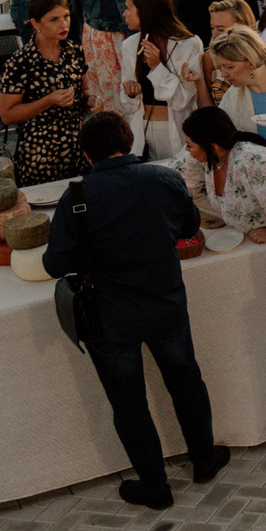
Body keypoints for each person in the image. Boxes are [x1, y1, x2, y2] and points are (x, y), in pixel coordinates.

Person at [42, 111, 228, 510]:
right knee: (186, 382)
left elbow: (55, 265)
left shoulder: (76, 199)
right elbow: (187, 227)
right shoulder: (164, 178)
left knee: (129, 403)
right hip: (165, 303)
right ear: (129, 142)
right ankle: (204, 459)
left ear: (86, 154)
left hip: (109, 318)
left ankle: (155, 486)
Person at [0, 0, 87, 186]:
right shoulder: (20, 63)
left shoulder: (74, 50)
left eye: (66, 16)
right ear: (35, 23)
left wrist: (91, 100)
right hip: (41, 153)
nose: (64, 24)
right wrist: (48, 101)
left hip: (78, 147)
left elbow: (84, 91)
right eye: (53, 20)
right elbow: (7, 115)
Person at [119, 0, 208, 162]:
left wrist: (156, 67)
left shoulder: (188, 43)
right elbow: (127, 104)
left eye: (128, 8)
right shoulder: (129, 45)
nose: (124, 14)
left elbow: (184, 99)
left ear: (145, 11)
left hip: (174, 128)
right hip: (141, 130)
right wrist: (130, 93)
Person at [180, 108, 266, 242]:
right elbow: (178, 179)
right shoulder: (208, 158)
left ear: (213, 147)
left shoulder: (255, 159)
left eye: (189, 145)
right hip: (240, 237)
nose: (186, 150)